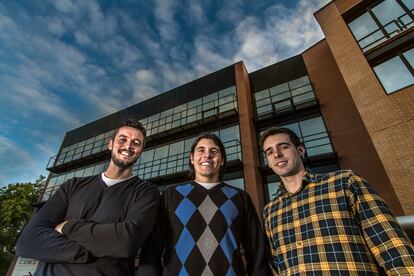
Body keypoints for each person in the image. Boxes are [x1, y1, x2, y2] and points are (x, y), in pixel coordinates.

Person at [261, 126, 414, 275]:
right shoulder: (271, 210)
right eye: (270, 152)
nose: (277, 154)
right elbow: (278, 266)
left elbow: (391, 245)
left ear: (300, 150)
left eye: (284, 147)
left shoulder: (345, 182)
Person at [16, 119, 160, 276]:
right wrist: (85, 252)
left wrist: (68, 227)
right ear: (110, 144)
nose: (128, 146)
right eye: (123, 139)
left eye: (136, 142)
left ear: (141, 150)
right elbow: (28, 241)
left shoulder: (146, 192)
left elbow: (127, 241)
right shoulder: (73, 185)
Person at [138, 132, 270, 275]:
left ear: (222, 160)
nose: (207, 155)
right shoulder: (170, 195)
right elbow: (151, 249)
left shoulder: (240, 198)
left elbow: (257, 254)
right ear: (192, 158)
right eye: (201, 150)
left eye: (214, 151)